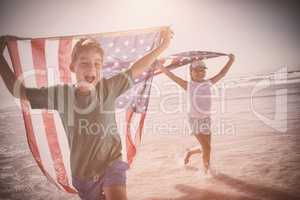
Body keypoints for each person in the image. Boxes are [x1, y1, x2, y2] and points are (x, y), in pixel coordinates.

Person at [0, 27, 173, 200]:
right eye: (84, 62)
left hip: (112, 163)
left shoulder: (109, 87)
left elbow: (137, 68)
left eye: (97, 63)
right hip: (83, 176)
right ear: (72, 67)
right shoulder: (61, 95)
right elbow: (20, 92)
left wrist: (163, 46)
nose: (92, 68)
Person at [158, 54, 235, 175]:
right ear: (191, 72)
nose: (200, 73)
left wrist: (231, 60)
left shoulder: (208, 83)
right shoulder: (188, 85)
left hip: (206, 119)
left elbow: (222, 73)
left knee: (206, 147)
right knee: (207, 148)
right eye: (197, 70)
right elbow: (171, 75)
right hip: (194, 120)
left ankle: (189, 152)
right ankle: (206, 172)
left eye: (202, 70)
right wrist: (159, 66)